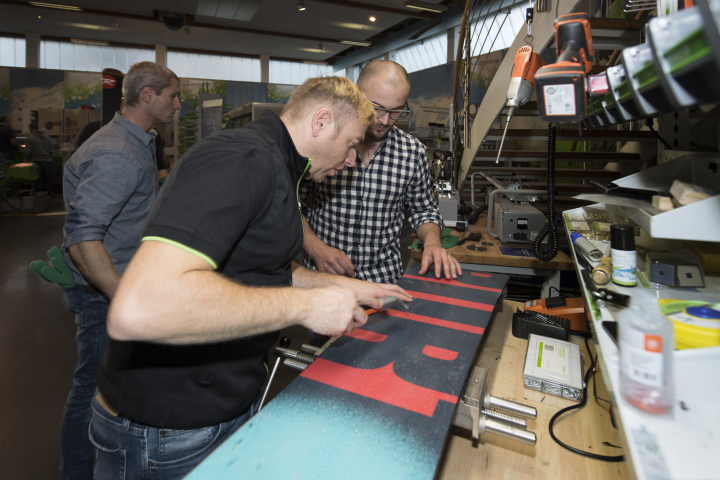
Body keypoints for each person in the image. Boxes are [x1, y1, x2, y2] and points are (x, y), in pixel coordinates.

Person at [90, 76, 412, 480]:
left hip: (220, 407)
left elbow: (262, 265)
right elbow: (141, 306)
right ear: (322, 122)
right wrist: (308, 307)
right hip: (166, 431)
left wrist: (346, 286)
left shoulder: (282, 168)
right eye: (350, 144)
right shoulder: (241, 159)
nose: (352, 160)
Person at [59, 61, 181, 480]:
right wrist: (121, 295)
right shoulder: (118, 152)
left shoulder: (136, 141)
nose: (178, 104)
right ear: (147, 96)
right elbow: (82, 237)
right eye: (173, 96)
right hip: (101, 293)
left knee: (107, 386)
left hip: (114, 283)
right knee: (91, 392)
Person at [301, 60, 462, 288]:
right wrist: (315, 249)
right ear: (356, 94)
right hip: (324, 279)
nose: (384, 120)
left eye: (396, 111)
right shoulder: (324, 139)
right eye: (376, 107)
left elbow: (423, 209)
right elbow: (290, 203)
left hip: (383, 283)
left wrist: (433, 243)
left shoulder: (412, 152)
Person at [24, 122, 55, 192]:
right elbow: (51, 150)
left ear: (30, 129)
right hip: (47, 161)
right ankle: (47, 195)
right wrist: (49, 158)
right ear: (38, 128)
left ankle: (38, 196)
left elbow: (28, 151)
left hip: (35, 161)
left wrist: (26, 160)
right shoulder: (47, 138)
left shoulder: (30, 138)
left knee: (37, 179)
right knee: (47, 179)